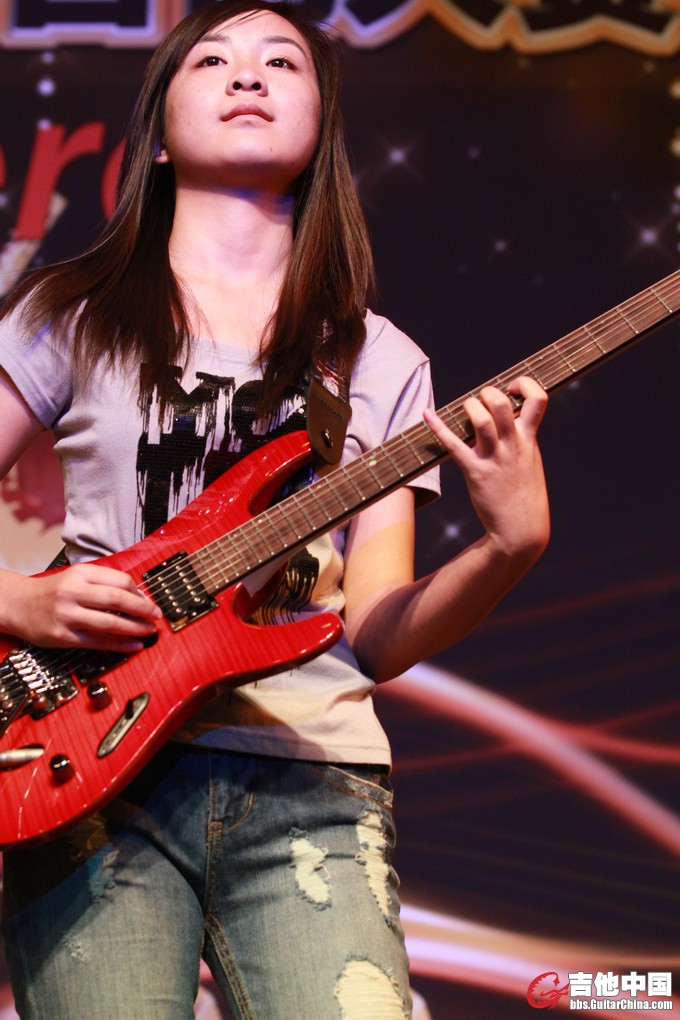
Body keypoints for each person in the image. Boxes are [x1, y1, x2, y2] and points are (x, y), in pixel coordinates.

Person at [0, 2, 550, 1017]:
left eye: (282, 62)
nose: (247, 75)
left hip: (310, 780)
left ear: (321, 128)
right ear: (159, 136)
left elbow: (375, 633)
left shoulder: (377, 359)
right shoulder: (70, 312)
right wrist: (20, 602)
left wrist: (508, 547)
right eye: (211, 58)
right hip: (89, 766)